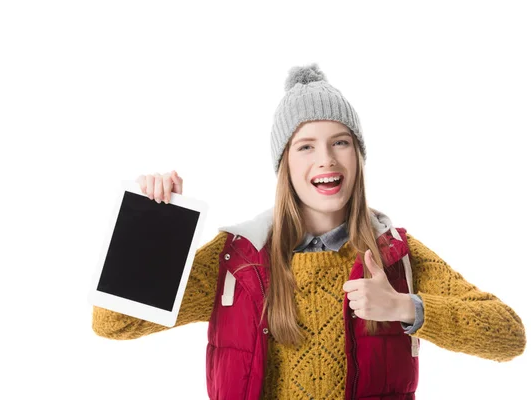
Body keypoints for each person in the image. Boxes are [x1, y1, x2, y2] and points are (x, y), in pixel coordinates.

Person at [92, 63, 526, 399]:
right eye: (305, 146)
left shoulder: (397, 256)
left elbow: (509, 336)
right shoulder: (237, 262)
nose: (327, 159)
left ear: (358, 157)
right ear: (285, 166)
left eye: (341, 142)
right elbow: (112, 323)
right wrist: (153, 226)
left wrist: (403, 307)